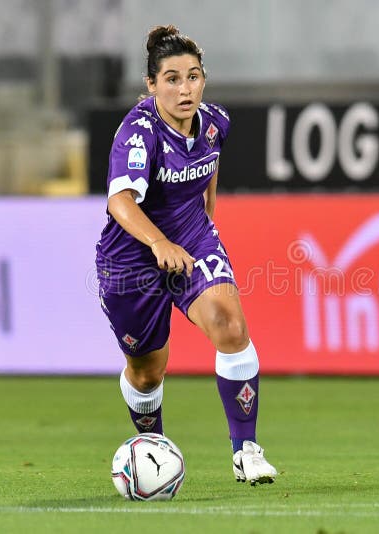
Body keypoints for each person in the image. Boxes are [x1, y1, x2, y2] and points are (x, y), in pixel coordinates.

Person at [95, 25, 277, 485]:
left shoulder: (216, 122)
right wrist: (158, 242)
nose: (185, 88)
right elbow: (120, 202)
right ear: (152, 85)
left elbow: (209, 167)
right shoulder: (139, 132)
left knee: (231, 326)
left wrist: (206, 225)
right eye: (172, 79)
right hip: (133, 257)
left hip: (191, 242)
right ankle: (153, 445)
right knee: (146, 370)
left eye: (193, 77)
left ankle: (246, 450)